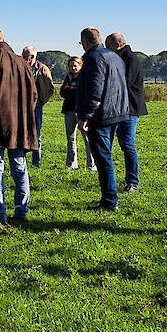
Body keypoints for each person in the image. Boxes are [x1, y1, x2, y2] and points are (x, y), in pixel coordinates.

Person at [0, 27, 38, 224]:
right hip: (19, 122)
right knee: (20, 167)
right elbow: (34, 95)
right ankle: (22, 211)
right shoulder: (22, 61)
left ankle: (0, 214)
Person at [76, 27, 129, 212]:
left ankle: (109, 200)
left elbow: (94, 90)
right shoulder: (115, 57)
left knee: (103, 158)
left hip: (102, 115)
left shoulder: (91, 58)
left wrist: (84, 116)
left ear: (86, 42)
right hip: (118, 111)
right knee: (106, 155)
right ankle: (109, 197)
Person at [105, 33, 148, 193]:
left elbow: (124, 83)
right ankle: (112, 181)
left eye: (108, 45)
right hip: (118, 108)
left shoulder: (131, 59)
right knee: (117, 144)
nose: (107, 49)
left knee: (127, 144)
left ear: (117, 45)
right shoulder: (119, 58)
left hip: (129, 109)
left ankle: (132, 181)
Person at [22, 46, 54, 167]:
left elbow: (50, 88)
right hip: (22, 106)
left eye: (25, 56)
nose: (23, 58)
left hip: (37, 106)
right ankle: (22, 160)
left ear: (32, 57)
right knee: (22, 133)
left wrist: (41, 101)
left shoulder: (43, 69)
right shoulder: (20, 67)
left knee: (37, 134)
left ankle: (36, 162)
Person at [60, 57, 93, 170]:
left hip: (82, 112)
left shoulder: (85, 78)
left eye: (75, 65)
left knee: (87, 138)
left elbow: (82, 94)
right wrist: (72, 90)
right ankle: (71, 164)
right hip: (69, 110)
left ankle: (91, 164)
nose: (73, 68)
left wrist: (71, 90)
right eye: (70, 66)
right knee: (70, 138)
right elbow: (62, 92)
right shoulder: (68, 77)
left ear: (80, 65)